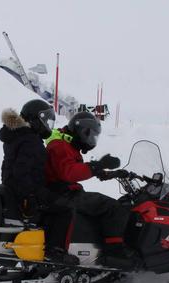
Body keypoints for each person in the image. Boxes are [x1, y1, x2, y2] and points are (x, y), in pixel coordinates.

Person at [44, 111, 133, 267]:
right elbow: (69, 172)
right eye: (90, 135)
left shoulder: (66, 143)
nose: (91, 140)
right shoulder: (59, 145)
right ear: (81, 130)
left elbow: (77, 168)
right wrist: (97, 165)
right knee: (113, 208)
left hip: (64, 191)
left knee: (101, 205)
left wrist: (110, 173)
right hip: (63, 193)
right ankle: (114, 253)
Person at [0, 99, 78, 265]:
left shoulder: (17, 136)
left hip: (16, 190)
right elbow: (23, 175)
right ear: (36, 119)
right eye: (46, 120)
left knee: (55, 201)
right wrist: (39, 195)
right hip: (25, 196)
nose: (47, 125)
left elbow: (18, 171)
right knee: (65, 208)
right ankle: (55, 251)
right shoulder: (30, 141)